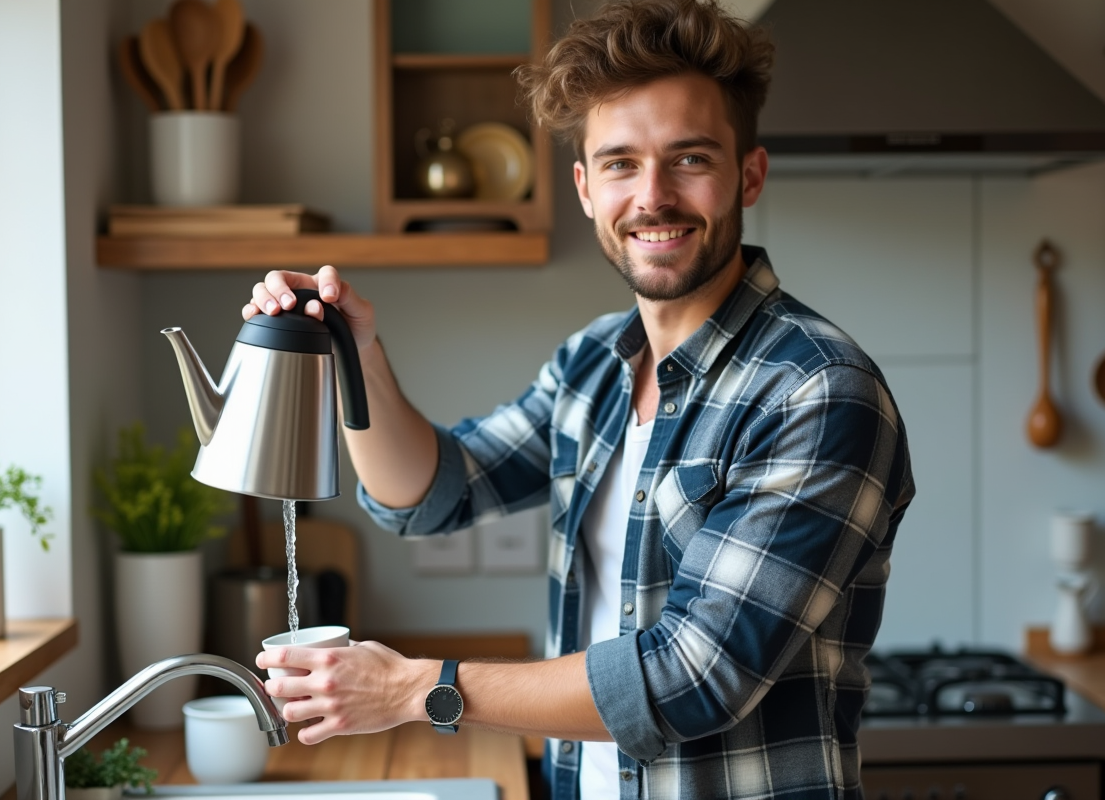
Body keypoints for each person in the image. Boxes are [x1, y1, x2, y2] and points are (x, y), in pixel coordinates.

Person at [252, 0, 915, 797]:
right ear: (585, 187)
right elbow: (432, 494)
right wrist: (353, 355)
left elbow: (694, 676)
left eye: (690, 159)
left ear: (750, 174)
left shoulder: (817, 390)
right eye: (621, 163)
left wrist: (411, 689)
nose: (653, 196)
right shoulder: (593, 364)